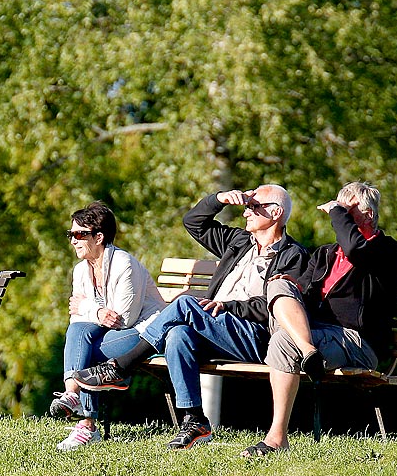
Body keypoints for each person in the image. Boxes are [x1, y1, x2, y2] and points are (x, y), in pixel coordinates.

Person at [74, 184, 309, 449]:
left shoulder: (294, 255)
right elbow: (194, 223)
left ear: (276, 213)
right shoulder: (239, 242)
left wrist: (227, 307)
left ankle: (120, 367)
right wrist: (218, 199)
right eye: (246, 207)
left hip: (254, 335)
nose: (246, 213)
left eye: (254, 207)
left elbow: (276, 304)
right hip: (216, 328)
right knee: (178, 335)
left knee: (185, 303)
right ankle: (194, 420)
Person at [242, 181, 397, 457]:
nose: (339, 216)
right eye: (338, 210)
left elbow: (356, 248)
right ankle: (308, 351)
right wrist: (288, 286)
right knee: (278, 286)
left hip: (356, 342)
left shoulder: (385, 251)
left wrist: (335, 211)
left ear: (368, 215)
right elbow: (301, 291)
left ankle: (276, 439)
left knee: (283, 340)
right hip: (314, 336)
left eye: (346, 210)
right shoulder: (326, 254)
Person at [48, 202, 167, 451]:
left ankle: (87, 426)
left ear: (99, 237)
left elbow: (125, 319)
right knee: (78, 333)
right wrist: (98, 313)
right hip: (110, 332)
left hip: (145, 332)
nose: (73, 240)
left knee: (89, 350)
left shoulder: (125, 263)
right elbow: (78, 321)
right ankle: (72, 394)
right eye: (71, 234)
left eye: (79, 234)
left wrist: (90, 309)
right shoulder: (80, 271)